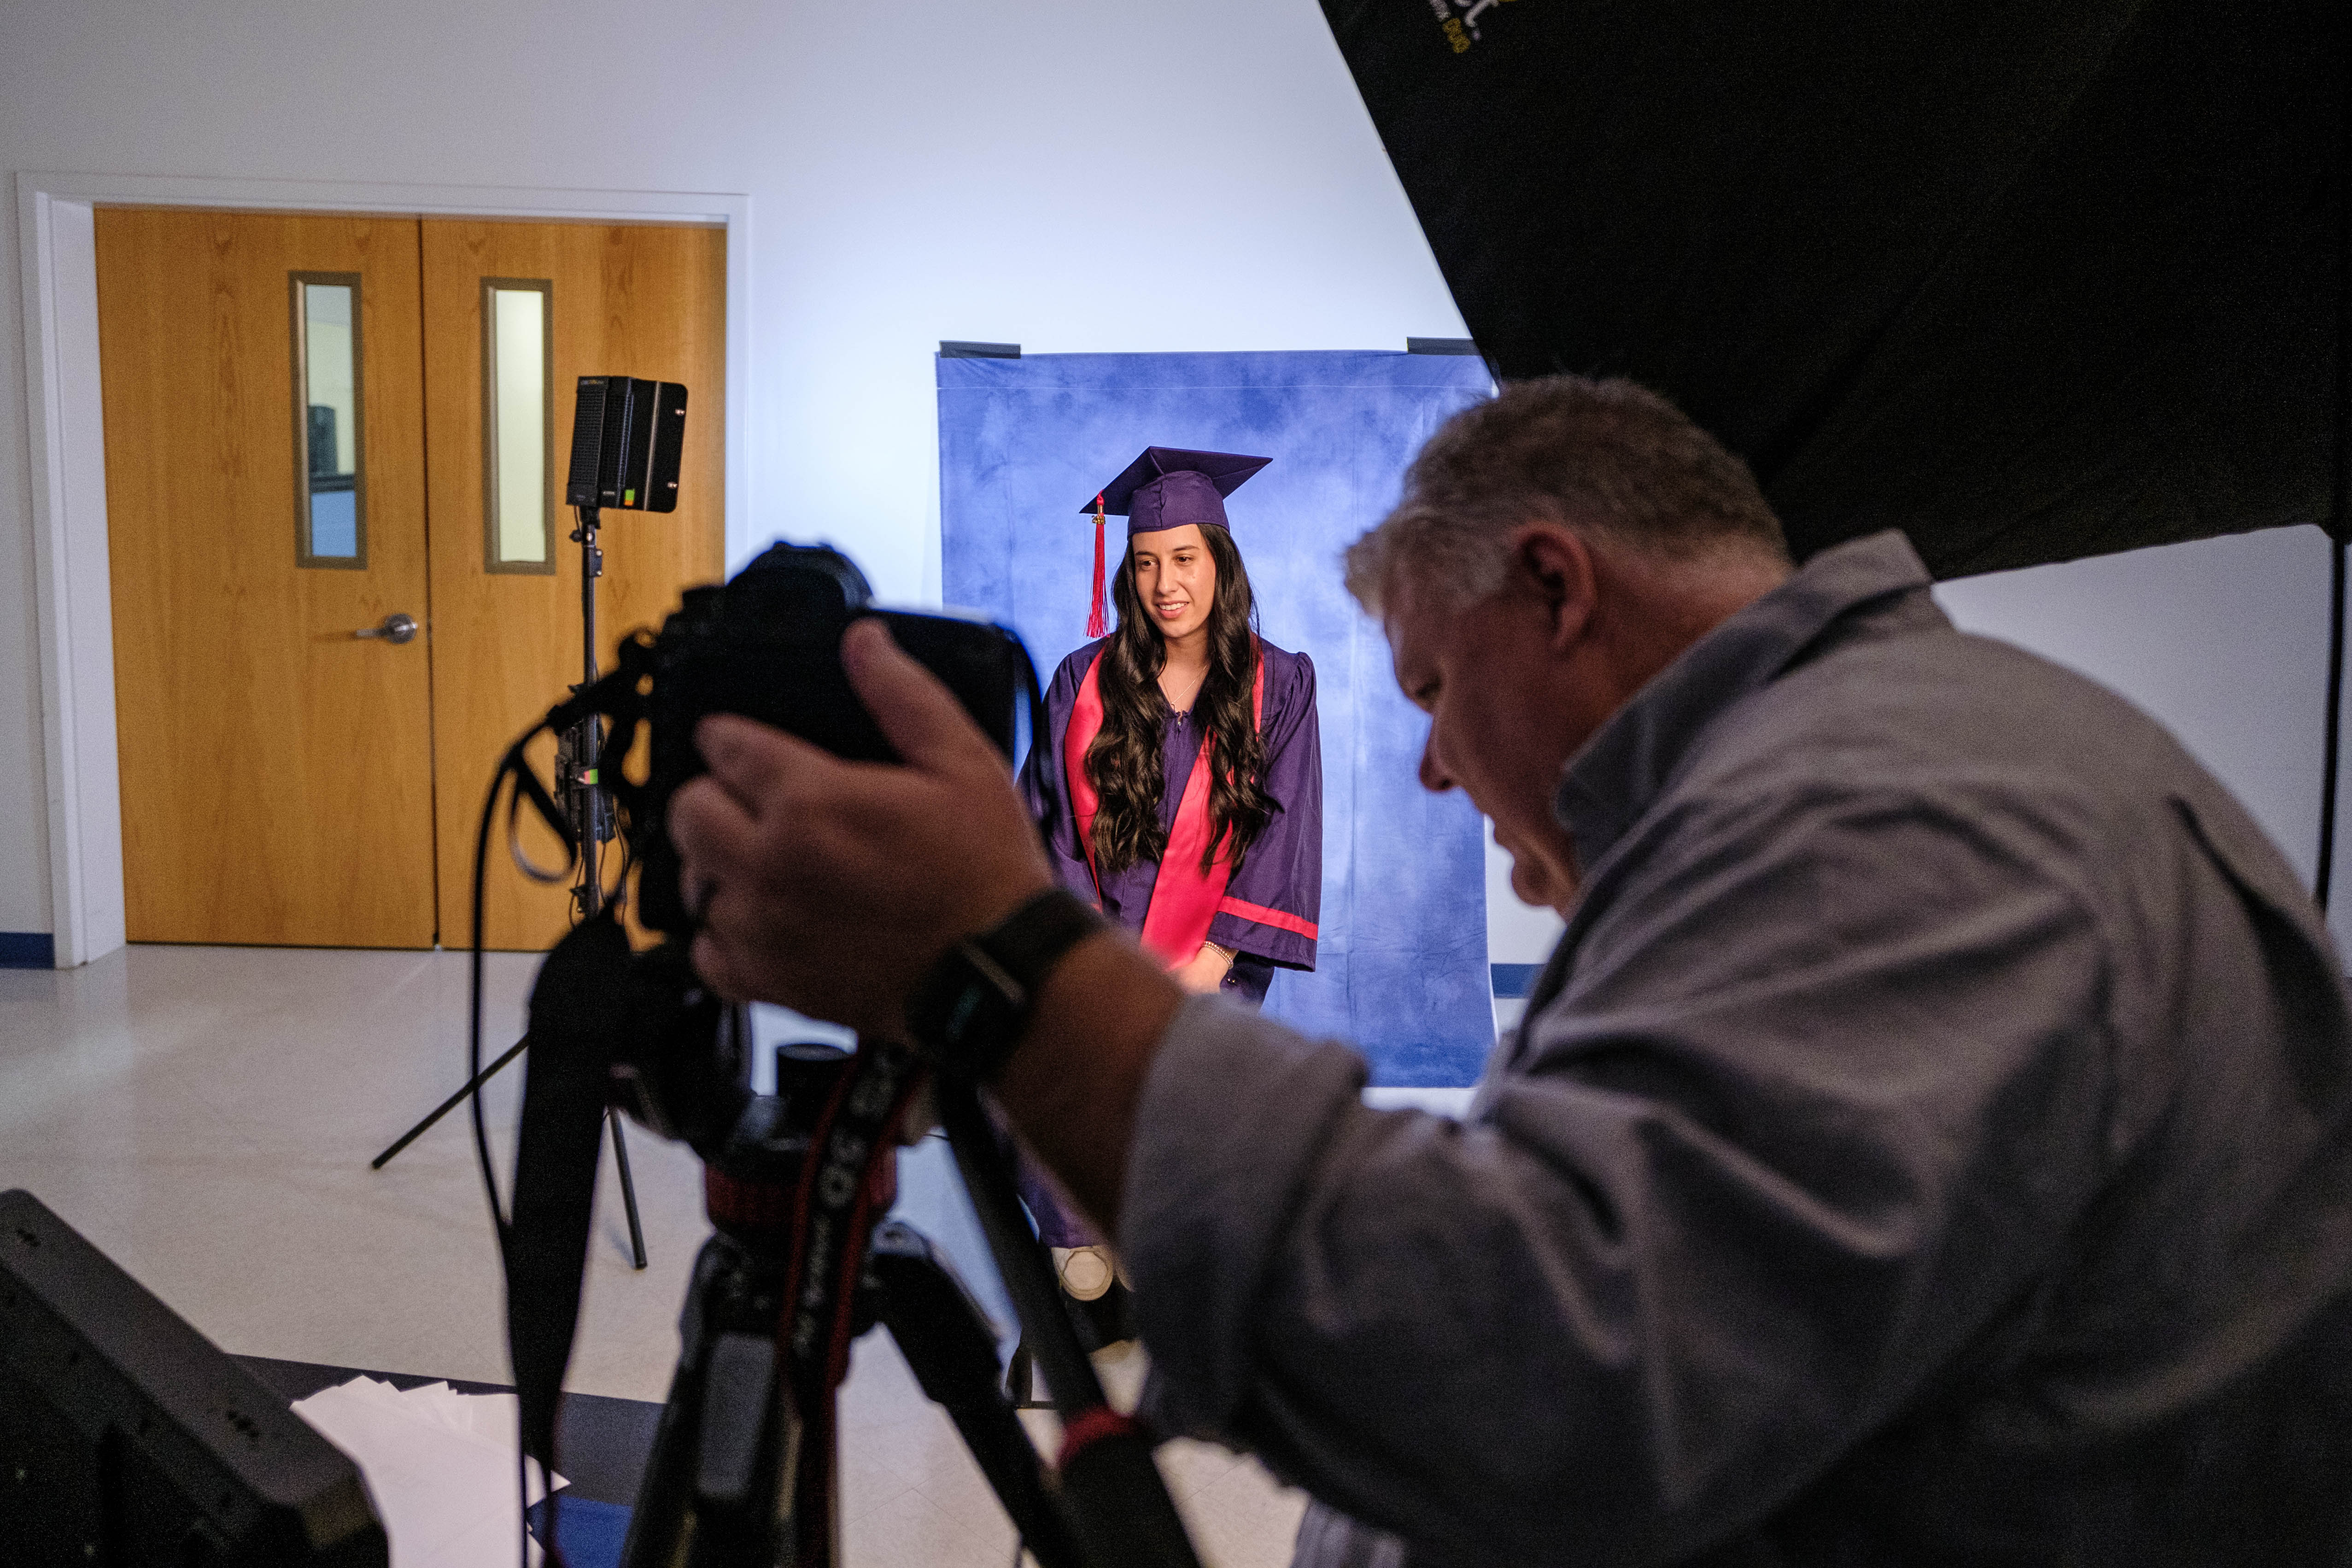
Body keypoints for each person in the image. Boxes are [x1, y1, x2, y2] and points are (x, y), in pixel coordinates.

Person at [669, 376, 2352, 1566]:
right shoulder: (1860, 777)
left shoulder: (1890, 813)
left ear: (1551, 585)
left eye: (1430, 690)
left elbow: (1551, 1365)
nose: (1428, 767)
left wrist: (1011, 967)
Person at [1015, 446, 1323, 1323]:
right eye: (1145, 562)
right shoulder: (1083, 680)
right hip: (1101, 938)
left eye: (1183, 559)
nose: (1164, 583)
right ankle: (1077, 1225)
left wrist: (1214, 955)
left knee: (1191, 1089)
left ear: (1220, 563)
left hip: (1215, 950)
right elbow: (1052, 832)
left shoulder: (1281, 684)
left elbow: (1287, 823)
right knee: (1066, 1051)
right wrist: (1088, 956)